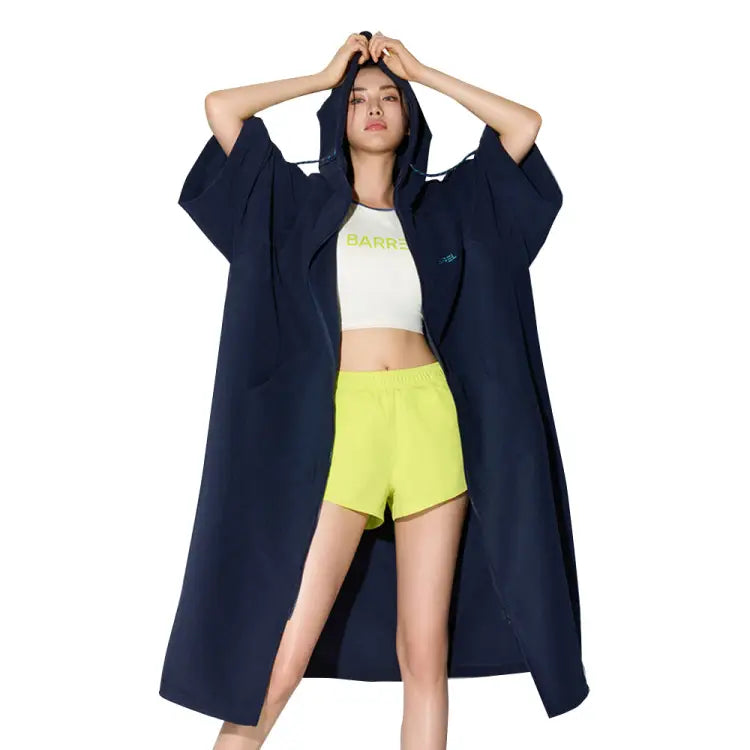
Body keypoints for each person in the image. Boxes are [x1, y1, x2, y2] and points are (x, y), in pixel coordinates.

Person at [167, 32, 582, 750]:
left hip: (430, 422)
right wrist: (325, 74)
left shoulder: (448, 207)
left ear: (409, 114)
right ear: (339, 116)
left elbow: (523, 127)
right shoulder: (296, 202)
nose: (375, 107)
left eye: (389, 96)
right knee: (284, 650)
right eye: (358, 99)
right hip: (342, 426)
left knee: (425, 653)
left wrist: (421, 70)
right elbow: (222, 109)